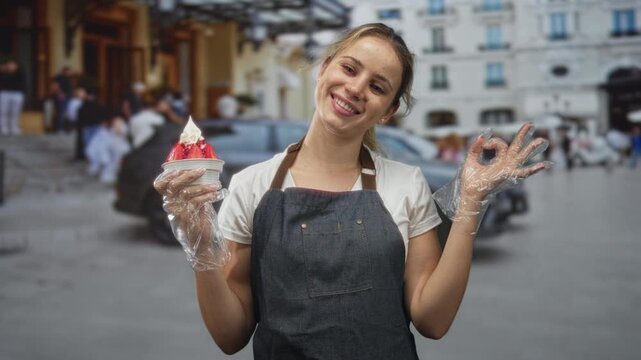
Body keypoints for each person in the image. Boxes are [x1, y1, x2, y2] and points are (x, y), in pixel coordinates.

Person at [154, 23, 550, 358]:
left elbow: (433, 320)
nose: (356, 87)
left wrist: (470, 204)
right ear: (324, 69)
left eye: (377, 86)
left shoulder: (406, 183)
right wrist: (202, 246)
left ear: (388, 110)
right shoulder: (251, 185)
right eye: (349, 68)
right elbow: (230, 336)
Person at [0, 59, 26, 135]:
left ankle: (14, 127)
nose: (11, 66)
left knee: (15, 112)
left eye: (12, 65)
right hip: (4, 93)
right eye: (9, 64)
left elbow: (23, 84)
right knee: (3, 111)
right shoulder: (3, 74)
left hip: (17, 94)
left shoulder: (20, 74)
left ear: (16, 66)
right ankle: (3, 127)